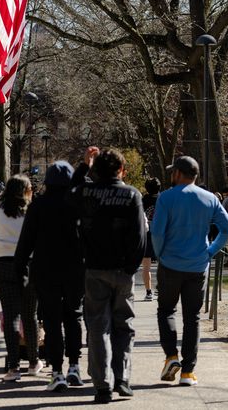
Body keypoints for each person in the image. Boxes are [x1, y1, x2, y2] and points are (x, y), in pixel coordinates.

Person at [68, 147, 146, 404]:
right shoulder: (131, 195)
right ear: (122, 170)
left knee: (97, 327)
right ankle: (122, 377)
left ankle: (102, 384)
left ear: (96, 171)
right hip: (122, 269)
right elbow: (139, 235)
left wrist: (84, 166)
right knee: (124, 325)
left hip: (94, 268)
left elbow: (70, 194)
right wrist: (131, 266)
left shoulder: (86, 192)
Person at [151, 156, 228, 388]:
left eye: (173, 172)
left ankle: (171, 356)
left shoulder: (166, 197)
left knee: (166, 310)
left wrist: (160, 253)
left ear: (178, 173)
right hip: (198, 266)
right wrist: (210, 252)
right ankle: (188, 372)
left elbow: (156, 232)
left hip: (170, 264)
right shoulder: (210, 198)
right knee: (192, 318)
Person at [15, 161, 85, 392]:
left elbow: (26, 240)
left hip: (45, 269)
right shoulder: (78, 204)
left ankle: (57, 371)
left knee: (52, 321)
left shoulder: (38, 205)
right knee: (74, 316)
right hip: (74, 269)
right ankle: (74, 365)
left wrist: (20, 268)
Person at [0, 175, 40, 382]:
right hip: (28, 263)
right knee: (30, 315)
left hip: (3, 263)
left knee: (11, 316)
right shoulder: (30, 211)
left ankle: (13, 366)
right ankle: (33, 361)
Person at [141, 178, 162, 301]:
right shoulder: (163, 199)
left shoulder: (143, 200)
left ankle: (148, 292)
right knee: (162, 264)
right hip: (161, 235)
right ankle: (160, 287)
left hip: (146, 235)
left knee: (146, 266)